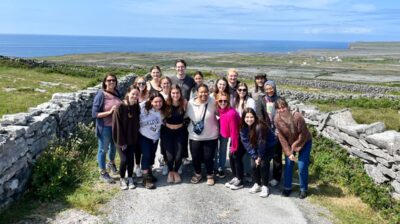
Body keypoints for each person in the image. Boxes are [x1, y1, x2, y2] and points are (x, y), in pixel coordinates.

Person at [274, 98, 312, 199]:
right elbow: (281, 137)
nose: (282, 110)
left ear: (287, 106)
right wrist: (288, 152)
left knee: (302, 166)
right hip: (290, 144)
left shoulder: (297, 117)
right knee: (288, 165)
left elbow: (303, 134)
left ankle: (303, 189)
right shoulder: (277, 119)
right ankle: (287, 187)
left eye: (283, 107)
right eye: (279, 108)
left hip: (304, 142)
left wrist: (294, 147)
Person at [92, 74, 122, 183]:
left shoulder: (117, 93)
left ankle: (112, 163)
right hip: (105, 127)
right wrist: (109, 112)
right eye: (109, 80)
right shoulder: (101, 95)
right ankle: (103, 172)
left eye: (113, 80)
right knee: (103, 149)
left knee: (114, 147)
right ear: (105, 82)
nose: (111, 82)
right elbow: (95, 114)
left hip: (116, 126)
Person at [186, 84, 219, 186]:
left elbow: (221, 112)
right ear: (197, 92)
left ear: (208, 92)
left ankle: (210, 175)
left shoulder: (213, 101)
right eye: (201, 92)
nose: (203, 94)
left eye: (206, 92)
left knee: (208, 157)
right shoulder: (190, 103)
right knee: (195, 156)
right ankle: (198, 173)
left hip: (211, 135)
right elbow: (184, 115)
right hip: (195, 136)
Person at [240, 108, 276, 198]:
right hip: (256, 147)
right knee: (253, 165)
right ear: (243, 118)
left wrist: (259, 157)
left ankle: (264, 186)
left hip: (269, 146)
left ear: (255, 117)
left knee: (263, 164)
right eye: (247, 117)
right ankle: (257, 184)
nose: (249, 119)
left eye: (251, 117)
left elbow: (262, 143)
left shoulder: (260, 126)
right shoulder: (243, 127)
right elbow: (246, 143)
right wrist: (255, 156)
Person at [112, 85, 140, 190]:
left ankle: (130, 177)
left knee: (130, 159)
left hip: (132, 139)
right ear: (128, 93)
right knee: (124, 160)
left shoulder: (136, 106)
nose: (135, 96)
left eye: (137, 94)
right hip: (121, 139)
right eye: (133, 94)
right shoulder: (120, 107)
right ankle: (122, 178)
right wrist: (121, 142)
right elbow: (116, 126)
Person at [256, 80, 282, 187]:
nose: (269, 90)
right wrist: (265, 128)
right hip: (266, 131)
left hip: (278, 131)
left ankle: (276, 178)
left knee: (277, 155)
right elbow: (259, 115)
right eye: (267, 89)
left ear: (274, 88)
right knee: (264, 154)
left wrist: (277, 129)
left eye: (271, 88)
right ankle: (263, 175)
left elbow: (283, 114)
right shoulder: (261, 100)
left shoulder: (280, 99)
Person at [215, 92, 243, 190]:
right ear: (217, 101)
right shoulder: (221, 110)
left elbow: (235, 132)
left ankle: (239, 180)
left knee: (236, 157)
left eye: (225, 101)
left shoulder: (230, 113)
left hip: (239, 137)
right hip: (234, 136)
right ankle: (235, 177)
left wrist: (234, 146)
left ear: (228, 101)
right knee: (231, 157)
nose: (223, 103)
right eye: (220, 101)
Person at [170, 59, 195, 166]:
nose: (180, 69)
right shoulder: (171, 79)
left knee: (184, 134)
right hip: (173, 109)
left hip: (186, 111)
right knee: (171, 133)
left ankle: (183, 156)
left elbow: (195, 92)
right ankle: (168, 157)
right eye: (178, 67)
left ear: (185, 68)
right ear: (175, 68)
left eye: (182, 67)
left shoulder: (190, 80)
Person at [138, 92, 165, 189]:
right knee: (146, 155)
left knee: (152, 155)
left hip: (155, 136)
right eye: (156, 102)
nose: (158, 104)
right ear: (151, 101)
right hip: (144, 135)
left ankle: (149, 173)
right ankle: (145, 179)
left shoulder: (163, 111)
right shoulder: (143, 107)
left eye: (160, 101)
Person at [163, 85, 187, 183]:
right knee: (169, 156)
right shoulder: (166, 104)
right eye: (173, 93)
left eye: (177, 93)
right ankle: (170, 172)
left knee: (178, 155)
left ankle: (176, 171)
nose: (175, 95)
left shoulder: (184, 103)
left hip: (180, 132)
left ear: (180, 94)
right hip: (168, 132)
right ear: (170, 94)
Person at [232, 82, 256, 183]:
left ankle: (247, 174)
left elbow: (251, 116)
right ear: (237, 91)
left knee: (247, 153)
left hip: (247, 130)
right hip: (237, 131)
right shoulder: (235, 100)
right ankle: (237, 175)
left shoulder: (250, 101)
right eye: (240, 89)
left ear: (247, 91)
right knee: (234, 153)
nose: (242, 91)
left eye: (244, 90)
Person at [133, 76, 149, 178]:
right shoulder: (133, 95)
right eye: (139, 83)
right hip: (135, 126)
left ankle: (147, 167)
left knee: (145, 146)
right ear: (135, 84)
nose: (141, 85)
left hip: (145, 125)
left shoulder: (148, 95)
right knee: (137, 147)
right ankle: (137, 166)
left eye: (143, 83)